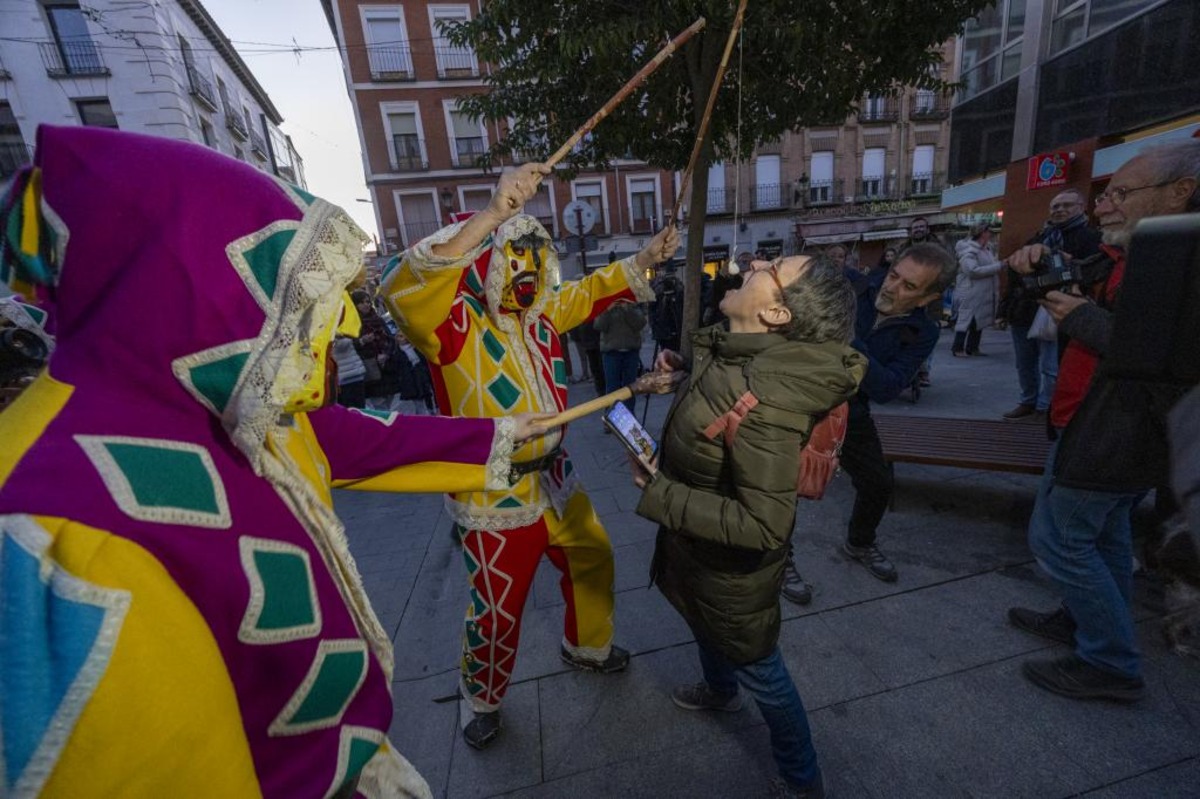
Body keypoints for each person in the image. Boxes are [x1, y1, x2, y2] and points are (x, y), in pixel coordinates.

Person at [0, 125, 551, 798]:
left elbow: (364, 439)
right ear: (198, 297)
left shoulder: (231, 404)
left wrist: (502, 432)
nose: (346, 326)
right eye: (308, 297)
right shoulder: (47, 523)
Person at [380, 163, 680, 749]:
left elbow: (589, 292)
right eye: (513, 257)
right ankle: (482, 697)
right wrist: (493, 213)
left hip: (558, 480)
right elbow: (403, 289)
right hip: (494, 491)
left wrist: (644, 259)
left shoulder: (541, 319)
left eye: (533, 258)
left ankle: (586, 645)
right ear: (487, 265)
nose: (527, 269)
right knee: (497, 609)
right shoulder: (451, 327)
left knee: (592, 557)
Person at [632, 254, 866, 799]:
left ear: (779, 316)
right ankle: (720, 690)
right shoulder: (734, 349)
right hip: (696, 551)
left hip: (731, 572)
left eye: (774, 266)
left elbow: (766, 526)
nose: (756, 262)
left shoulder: (769, 401)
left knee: (763, 671)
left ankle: (804, 780)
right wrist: (688, 375)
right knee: (699, 617)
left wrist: (661, 493)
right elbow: (723, 399)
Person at [1005, 139, 1199, 701]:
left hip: (1123, 430)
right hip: (1095, 419)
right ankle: (1085, 620)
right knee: (1107, 534)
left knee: (1059, 537)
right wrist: (1041, 263)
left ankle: (1111, 661)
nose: (1102, 205)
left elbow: (1170, 360)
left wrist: (1085, 318)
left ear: (1178, 193)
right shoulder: (1138, 251)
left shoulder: (1183, 264)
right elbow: (1089, 273)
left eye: (1120, 193)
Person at [783, 244, 957, 597]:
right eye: (894, 275)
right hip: (797, 400)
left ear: (928, 298)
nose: (892, 288)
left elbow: (888, 387)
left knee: (878, 482)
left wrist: (848, 342)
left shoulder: (924, 331)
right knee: (781, 487)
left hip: (851, 411)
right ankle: (779, 560)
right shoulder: (852, 285)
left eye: (909, 287)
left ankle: (860, 543)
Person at [997, 189, 1101, 420]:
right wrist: (1004, 309)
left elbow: (1093, 276)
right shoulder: (1040, 237)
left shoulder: (1091, 239)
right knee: (1024, 362)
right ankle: (1028, 401)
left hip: (1059, 312)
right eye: (1056, 206)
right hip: (1025, 310)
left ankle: (1046, 407)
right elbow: (1015, 276)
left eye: (1067, 205)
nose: (1060, 210)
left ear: (1082, 208)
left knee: (1051, 365)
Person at [951, 221, 1002, 356]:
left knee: (978, 320)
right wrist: (998, 267)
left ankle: (973, 348)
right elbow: (972, 270)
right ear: (982, 232)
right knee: (966, 320)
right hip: (970, 291)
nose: (990, 233)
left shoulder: (986, 249)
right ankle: (957, 348)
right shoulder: (970, 250)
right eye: (988, 231)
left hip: (981, 291)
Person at [597, 298, 647, 412]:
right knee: (612, 388)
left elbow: (640, 323)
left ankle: (630, 417)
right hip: (611, 352)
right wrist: (607, 310)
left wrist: (627, 309)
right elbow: (599, 325)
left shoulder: (631, 304)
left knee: (630, 387)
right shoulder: (605, 304)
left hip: (631, 351)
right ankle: (611, 416)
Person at [570, 317, 605, 395]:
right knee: (596, 368)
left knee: (599, 368)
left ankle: (601, 390)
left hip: (595, 341)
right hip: (589, 342)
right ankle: (600, 390)